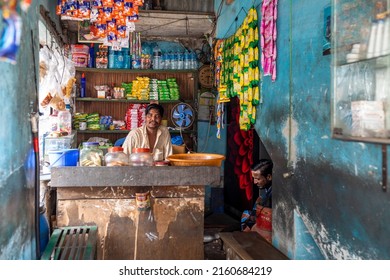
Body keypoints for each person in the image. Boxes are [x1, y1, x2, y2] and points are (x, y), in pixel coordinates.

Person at [241, 159, 273, 243]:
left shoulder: (273, 195)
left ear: (269, 177)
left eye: (258, 179)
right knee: (246, 213)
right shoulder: (267, 192)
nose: (255, 182)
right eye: (254, 178)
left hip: (268, 230)